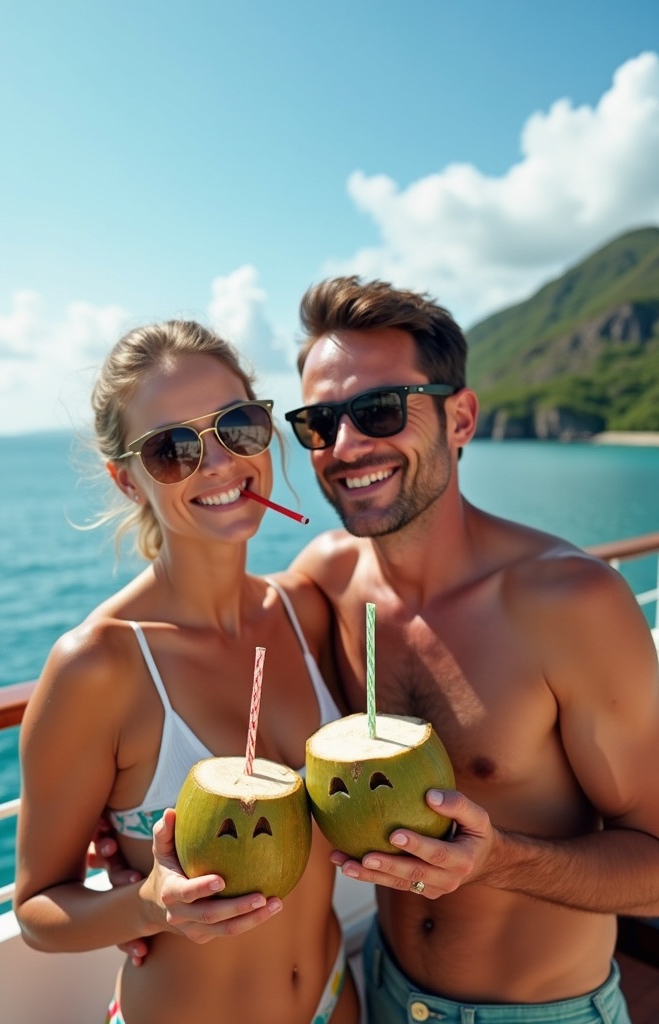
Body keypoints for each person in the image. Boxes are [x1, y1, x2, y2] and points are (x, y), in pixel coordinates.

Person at [282, 275, 659, 1023]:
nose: (347, 447)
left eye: (379, 410)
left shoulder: (570, 604)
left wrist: (502, 859)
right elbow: (210, 636)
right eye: (320, 423)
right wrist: (128, 812)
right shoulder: (327, 577)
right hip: (383, 987)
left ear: (460, 418)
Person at [13, 319, 360, 1024]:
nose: (220, 463)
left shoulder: (304, 612)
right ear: (128, 480)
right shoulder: (98, 667)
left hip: (335, 998)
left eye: (237, 424)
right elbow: (37, 911)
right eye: (172, 449)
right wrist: (147, 906)